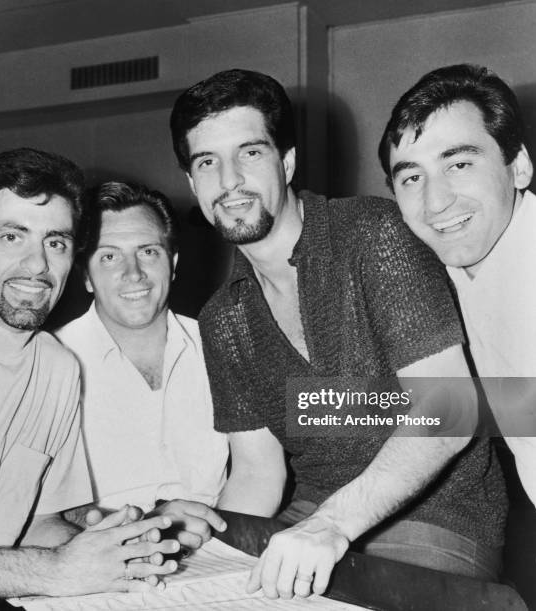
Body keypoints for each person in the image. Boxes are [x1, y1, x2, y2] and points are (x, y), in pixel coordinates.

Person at [169, 69, 506, 599]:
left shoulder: (374, 235)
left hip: (438, 516)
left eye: (250, 153)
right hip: (312, 517)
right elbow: (258, 472)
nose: (229, 180)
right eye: (207, 162)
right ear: (192, 183)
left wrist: (331, 525)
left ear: (287, 162)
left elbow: (450, 411)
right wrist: (208, 541)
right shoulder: (222, 317)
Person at [0, 149, 178, 603]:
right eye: (12, 237)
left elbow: (38, 523)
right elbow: (44, 570)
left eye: (56, 242)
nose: (39, 264)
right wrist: (51, 573)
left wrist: (116, 551)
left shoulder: (57, 369)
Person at [379, 63, 536, 509]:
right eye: (411, 178)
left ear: (519, 166)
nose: (436, 201)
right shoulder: (450, 269)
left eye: (460, 163)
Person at [57, 181, 228, 550]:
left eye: (148, 251)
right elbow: (34, 508)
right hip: (95, 565)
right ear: (85, 275)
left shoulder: (221, 347)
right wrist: (150, 526)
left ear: (174, 261)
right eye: (109, 256)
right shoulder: (48, 363)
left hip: (220, 559)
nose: (133, 273)